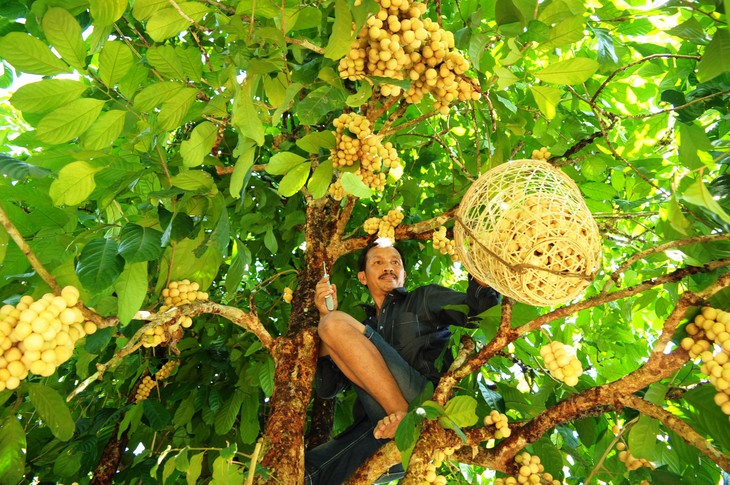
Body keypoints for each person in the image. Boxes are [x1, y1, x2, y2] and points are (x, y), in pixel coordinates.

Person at [304, 238, 500, 484]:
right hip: (379, 430)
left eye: (395, 262)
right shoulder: (361, 331)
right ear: (363, 277)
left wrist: (479, 264)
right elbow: (327, 388)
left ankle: (405, 418)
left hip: (422, 404)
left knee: (334, 323)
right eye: (378, 262)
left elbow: (483, 314)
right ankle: (401, 423)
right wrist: (324, 314)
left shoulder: (424, 298)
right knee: (308, 473)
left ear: (404, 274)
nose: (388, 267)